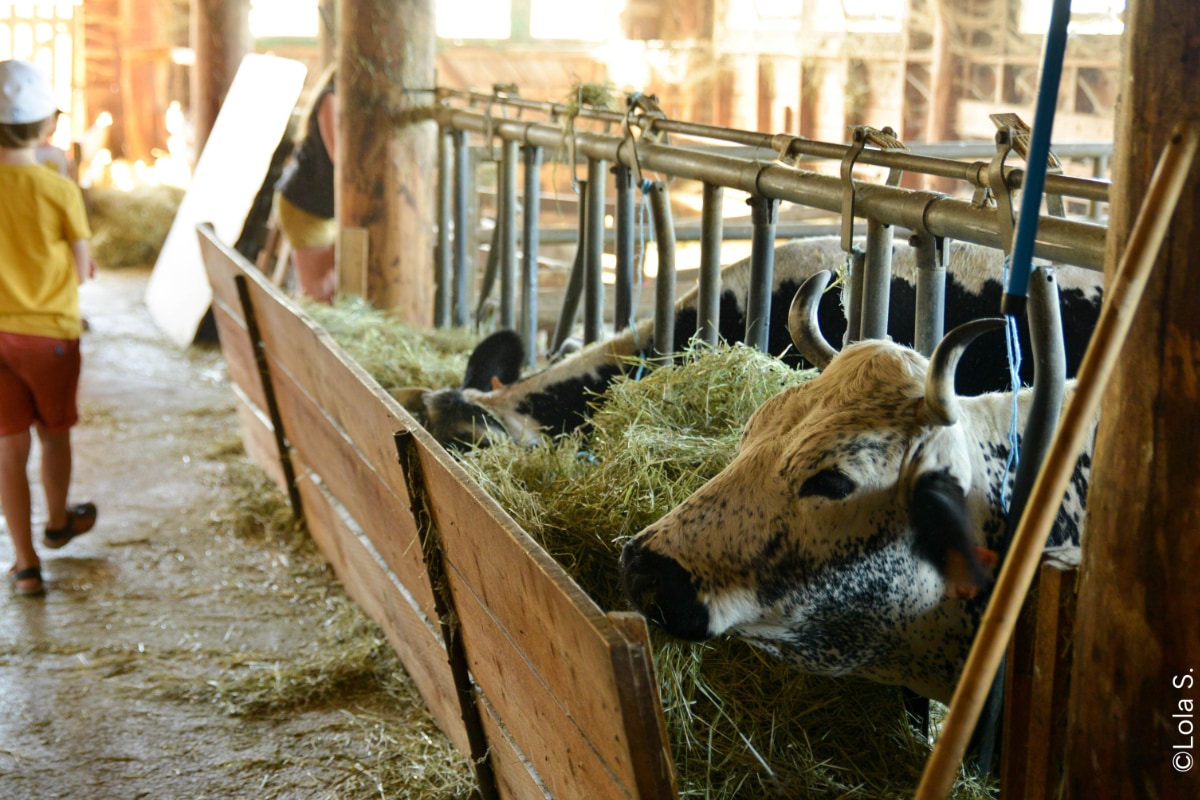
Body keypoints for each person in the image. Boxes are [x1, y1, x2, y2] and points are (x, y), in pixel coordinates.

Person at [0, 60, 97, 596]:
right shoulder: (58, 188)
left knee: (8, 450)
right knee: (53, 435)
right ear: (47, 128)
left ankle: (24, 565)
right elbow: (82, 272)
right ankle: (58, 523)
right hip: (49, 336)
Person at [275, 65, 337, 303]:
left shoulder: (337, 98)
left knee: (330, 286)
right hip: (305, 206)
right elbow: (338, 157)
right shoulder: (330, 98)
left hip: (323, 208)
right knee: (316, 292)